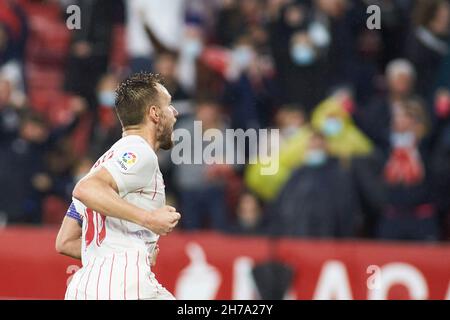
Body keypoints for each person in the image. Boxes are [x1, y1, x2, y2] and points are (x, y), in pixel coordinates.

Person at [62, 72, 181, 300]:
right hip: (122, 285)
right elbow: (84, 190)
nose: (174, 112)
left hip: (85, 287)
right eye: (169, 105)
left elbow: (65, 241)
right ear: (154, 113)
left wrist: (135, 246)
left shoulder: (101, 164)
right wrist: (149, 220)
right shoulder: (139, 151)